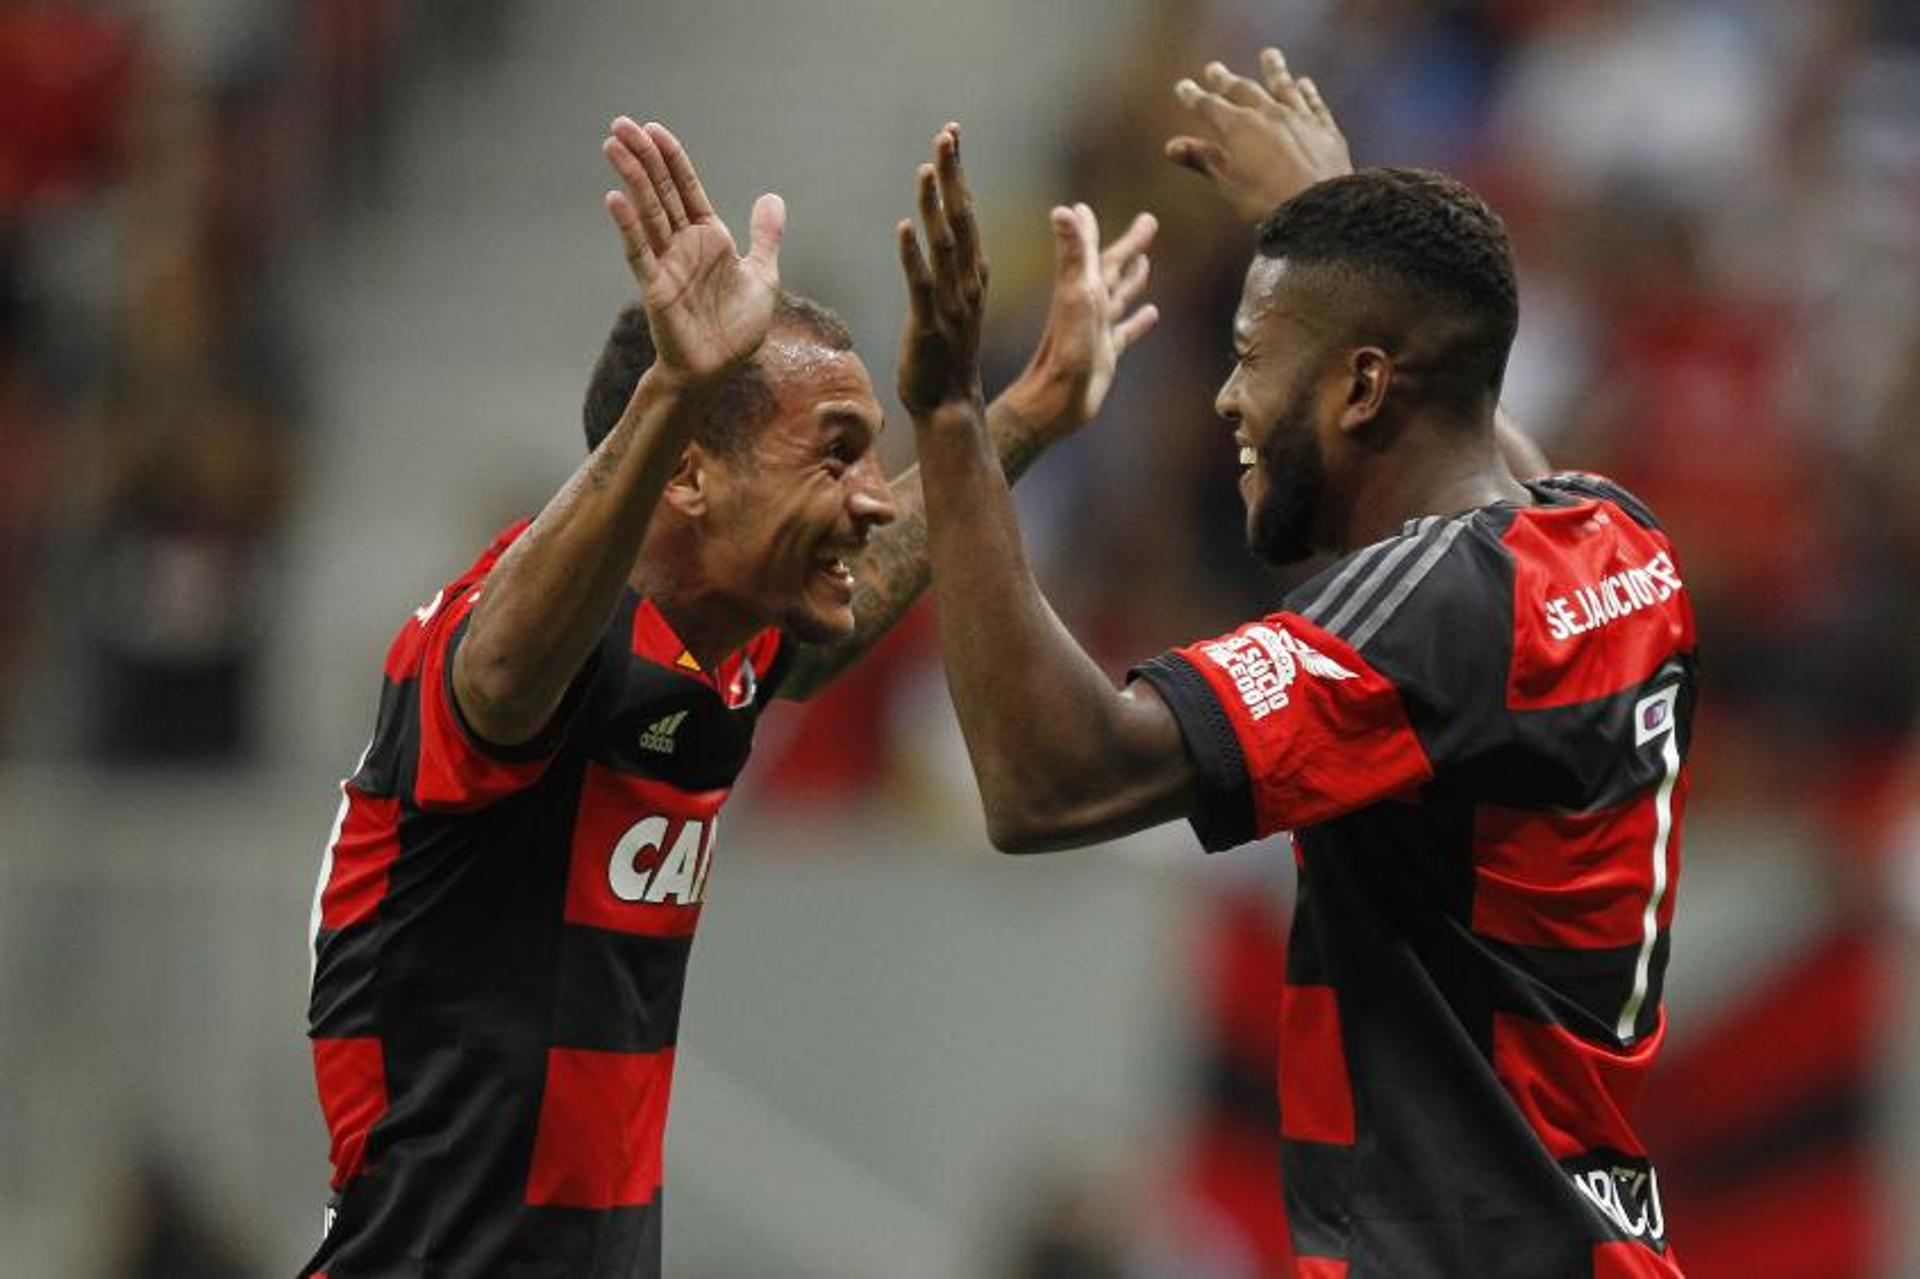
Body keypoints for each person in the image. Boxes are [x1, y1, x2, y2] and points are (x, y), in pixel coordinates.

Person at [301, 118, 1158, 1277]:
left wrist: (1031, 406)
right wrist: (675, 390)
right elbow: (501, 681)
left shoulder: (724, 652)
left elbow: (834, 621)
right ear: (691, 476)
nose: (868, 498)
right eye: (838, 453)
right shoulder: (516, 634)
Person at [898, 51, 1694, 1279]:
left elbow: (1048, 779)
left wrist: (957, 422)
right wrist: (1326, 226)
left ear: (1364, 384)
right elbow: (1476, 430)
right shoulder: (1613, 539)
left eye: (1254, 351)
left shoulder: (1425, 617)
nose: (1225, 398)